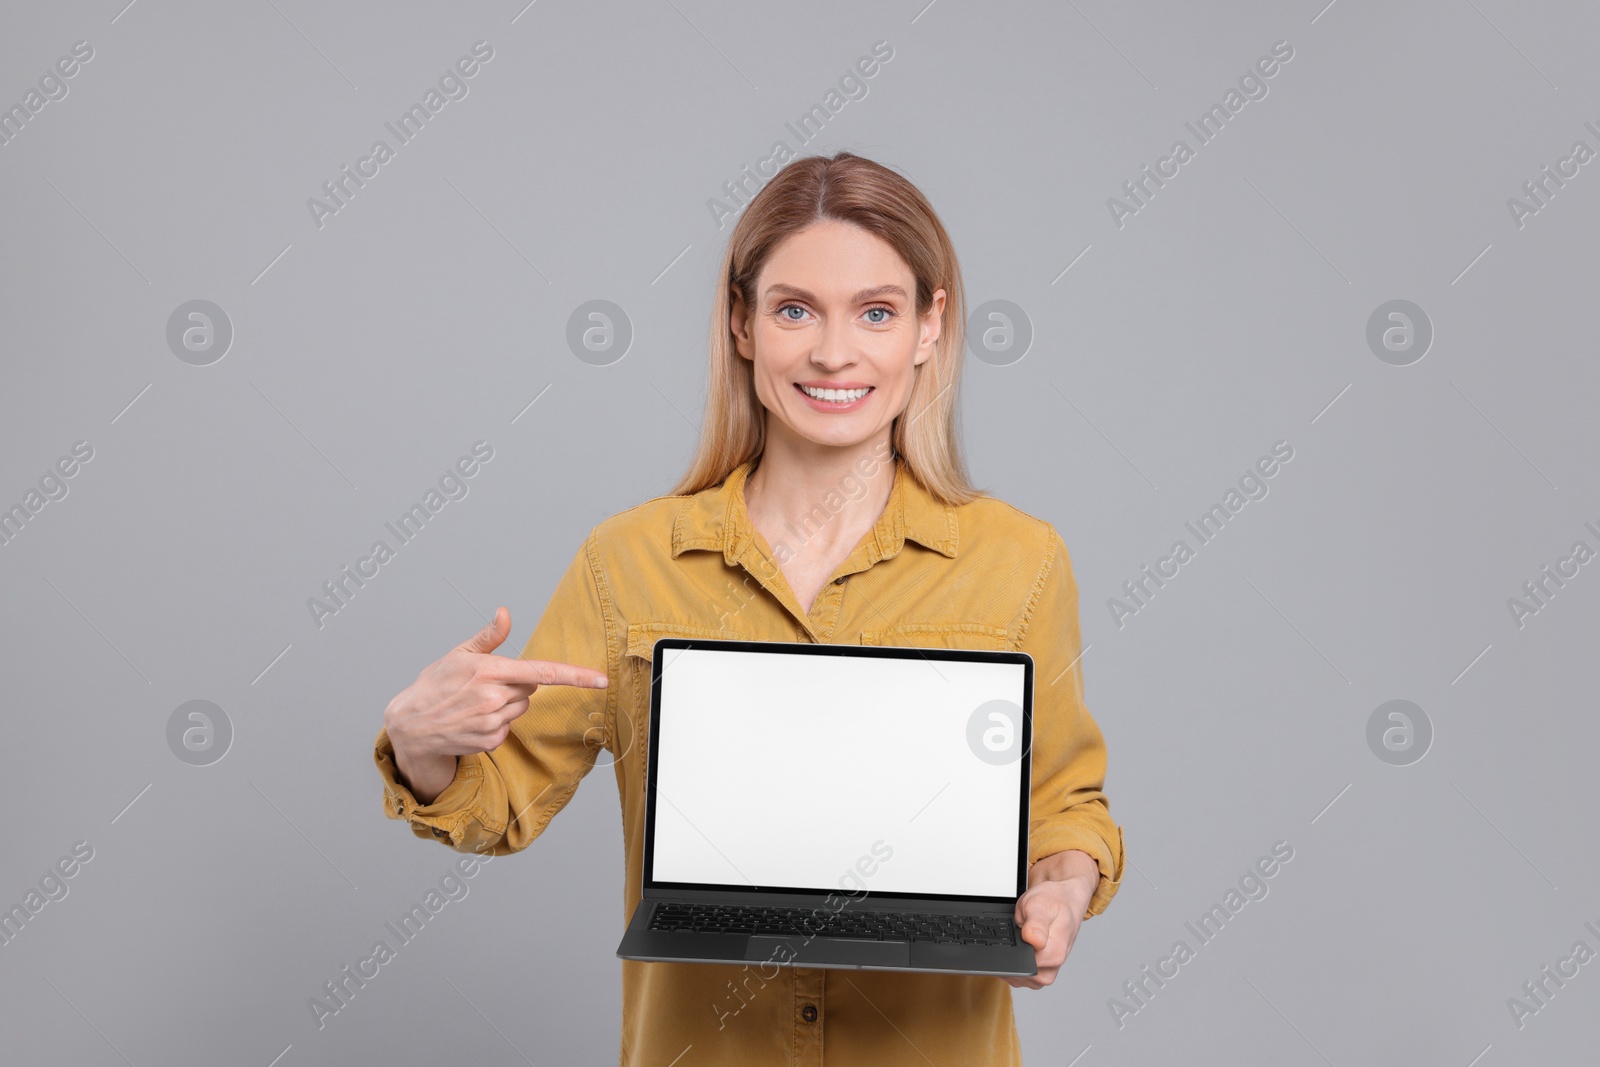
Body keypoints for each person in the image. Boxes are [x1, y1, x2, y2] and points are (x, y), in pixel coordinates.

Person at [374, 149, 1125, 1066]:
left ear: (931, 327)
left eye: (877, 312)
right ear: (741, 323)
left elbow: (1063, 806)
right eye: (795, 309)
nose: (834, 352)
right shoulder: (630, 562)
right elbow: (500, 808)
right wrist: (422, 745)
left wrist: (1062, 888)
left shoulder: (1020, 560)